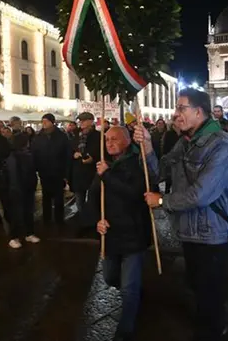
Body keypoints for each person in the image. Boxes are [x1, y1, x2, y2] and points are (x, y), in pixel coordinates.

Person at [136, 89, 228, 341]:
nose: (175, 114)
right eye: (177, 108)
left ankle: (213, 330)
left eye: (181, 108)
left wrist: (161, 200)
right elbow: (159, 171)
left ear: (198, 112)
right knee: (197, 285)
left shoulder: (223, 144)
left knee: (209, 291)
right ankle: (211, 321)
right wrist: (148, 146)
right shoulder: (185, 142)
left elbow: (201, 195)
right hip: (189, 230)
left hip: (212, 233)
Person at [91, 127, 153, 341]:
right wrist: (96, 221)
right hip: (110, 235)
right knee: (109, 277)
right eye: (106, 139)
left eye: (114, 138)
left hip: (133, 234)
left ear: (127, 140)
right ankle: (134, 291)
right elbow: (93, 198)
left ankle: (125, 330)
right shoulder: (103, 166)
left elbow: (134, 194)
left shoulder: (138, 163)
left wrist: (107, 175)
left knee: (128, 289)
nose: (109, 143)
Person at [31, 113, 71, 226]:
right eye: (42, 121)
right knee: (46, 196)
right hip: (44, 171)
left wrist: (66, 173)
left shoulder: (62, 136)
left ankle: (59, 219)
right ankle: (46, 218)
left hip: (58, 171)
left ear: (52, 122)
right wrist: (36, 168)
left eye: (46, 121)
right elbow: (34, 152)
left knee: (59, 197)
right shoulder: (39, 136)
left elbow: (67, 155)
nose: (43, 123)